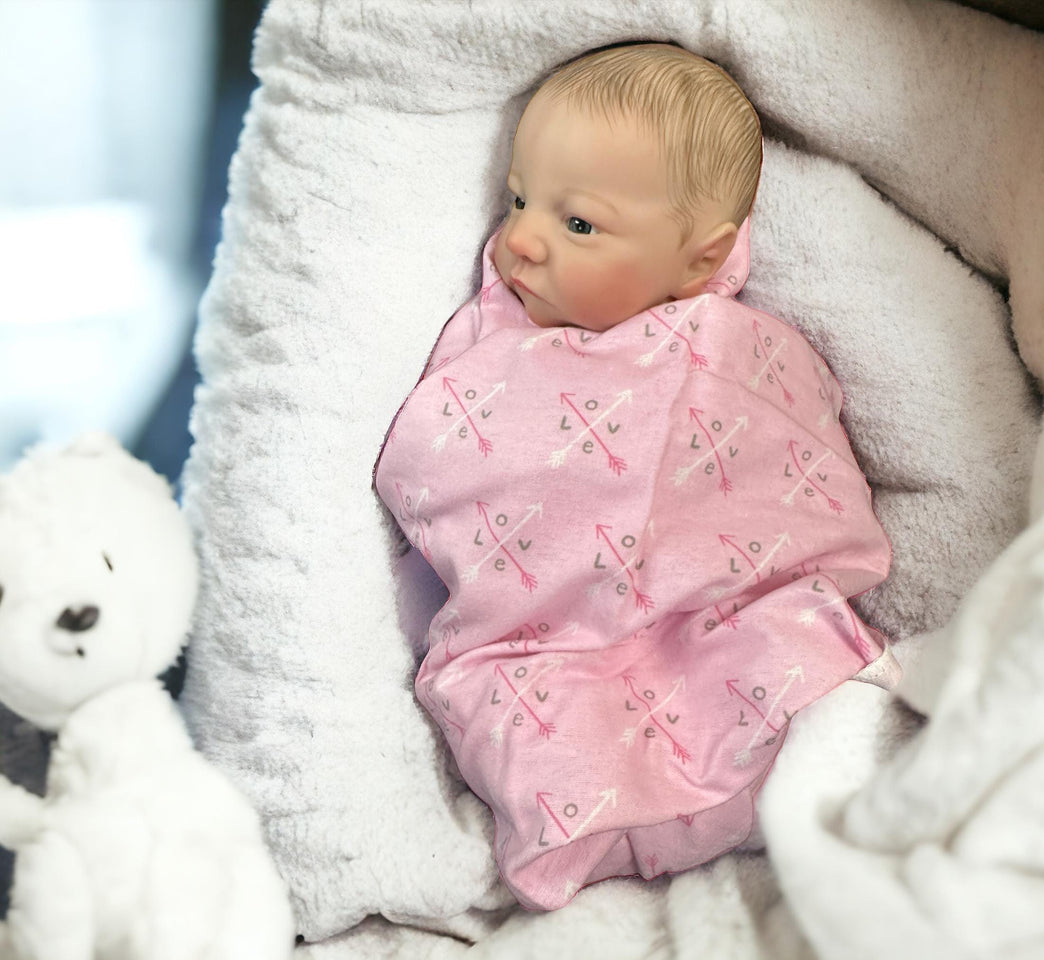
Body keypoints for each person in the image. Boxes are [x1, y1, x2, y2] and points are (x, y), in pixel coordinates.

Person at [374, 42, 896, 911]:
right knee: (528, 719)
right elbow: (434, 457)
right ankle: (607, 828)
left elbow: (797, 471)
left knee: (794, 649)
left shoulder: (739, 353)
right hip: (544, 642)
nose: (522, 239)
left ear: (701, 258)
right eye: (518, 200)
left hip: (722, 614)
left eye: (579, 224)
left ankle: (800, 787)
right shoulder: (491, 345)